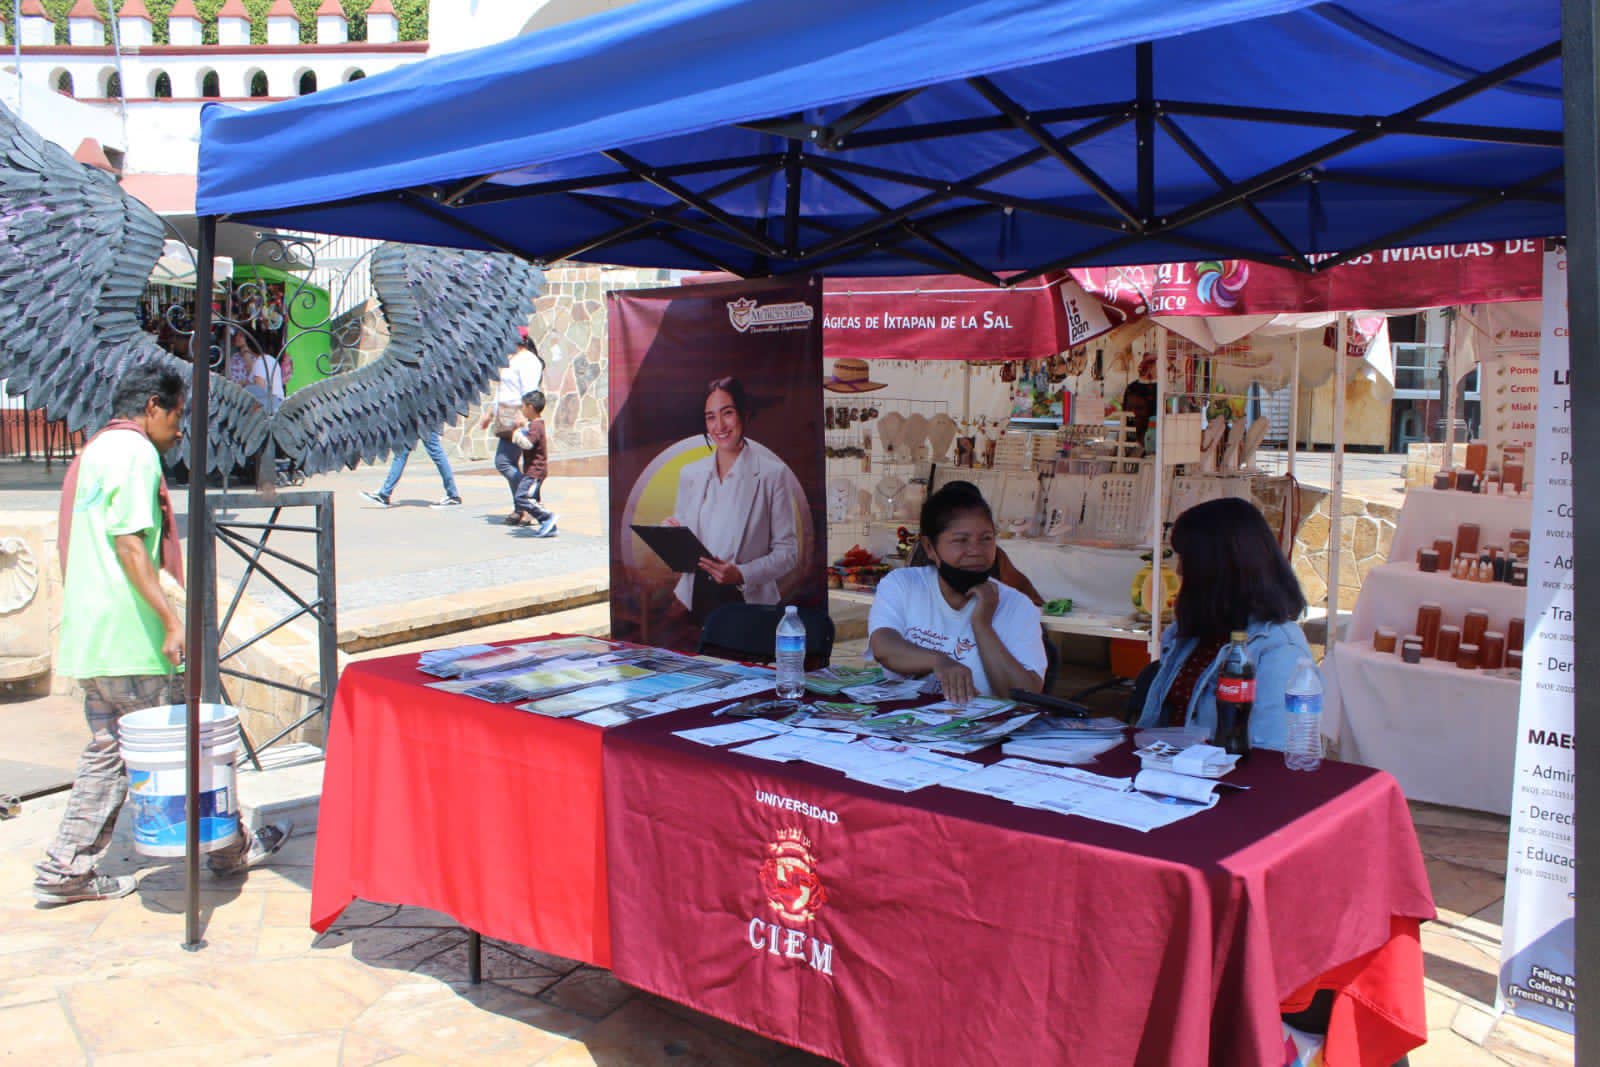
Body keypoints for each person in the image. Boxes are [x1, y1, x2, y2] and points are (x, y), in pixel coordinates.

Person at [35, 363, 291, 907]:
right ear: (153, 406)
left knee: (109, 751)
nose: (179, 431)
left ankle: (66, 867)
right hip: (132, 635)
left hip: (95, 637)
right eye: (177, 417)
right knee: (188, 744)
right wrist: (171, 621)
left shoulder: (94, 451)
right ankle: (230, 850)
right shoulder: (133, 454)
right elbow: (130, 542)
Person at [1133, 496, 1312, 750]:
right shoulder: (1191, 632)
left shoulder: (1279, 648)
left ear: (1217, 569)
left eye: (1186, 560)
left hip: (1224, 781)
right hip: (1168, 771)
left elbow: (1275, 751)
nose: (1179, 571)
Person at [868, 482, 1047, 704]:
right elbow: (883, 647)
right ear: (930, 548)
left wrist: (982, 625)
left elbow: (1026, 697)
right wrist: (939, 661)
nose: (976, 551)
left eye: (986, 539)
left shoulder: (1018, 606)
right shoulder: (903, 585)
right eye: (961, 540)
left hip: (979, 732)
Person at [663, 376, 800, 621]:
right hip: (694, 600)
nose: (719, 426)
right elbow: (686, 545)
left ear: (744, 414)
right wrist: (670, 536)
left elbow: (788, 553)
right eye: (710, 417)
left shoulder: (772, 474)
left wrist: (741, 574)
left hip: (748, 605)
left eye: (727, 413)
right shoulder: (690, 474)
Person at [480, 327, 545, 520]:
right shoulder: (512, 360)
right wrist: (489, 414)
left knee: (504, 462)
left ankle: (530, 501)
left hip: (516, 415)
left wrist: (523, 417)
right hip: (505, 415)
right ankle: (522, 508)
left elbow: (530, 391)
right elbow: (502, 391)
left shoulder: (529, 361)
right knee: (511, 462)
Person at [360, 429, 462, 509]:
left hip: (425, 417)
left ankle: (453, 495)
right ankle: (384, 494)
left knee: (435, 452)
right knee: (401, 453)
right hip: (411, 418)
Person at [508, 389, 557, 535]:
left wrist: (516, 434)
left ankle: (547, 517)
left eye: (523, 406)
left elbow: (528, 444)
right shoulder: (535, 424)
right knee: (531, 498)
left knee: (521, 497)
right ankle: (549, 527)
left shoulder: (536, 425)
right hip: (534, 470)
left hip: (535, 471)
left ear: (530, 407)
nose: (521, 410)